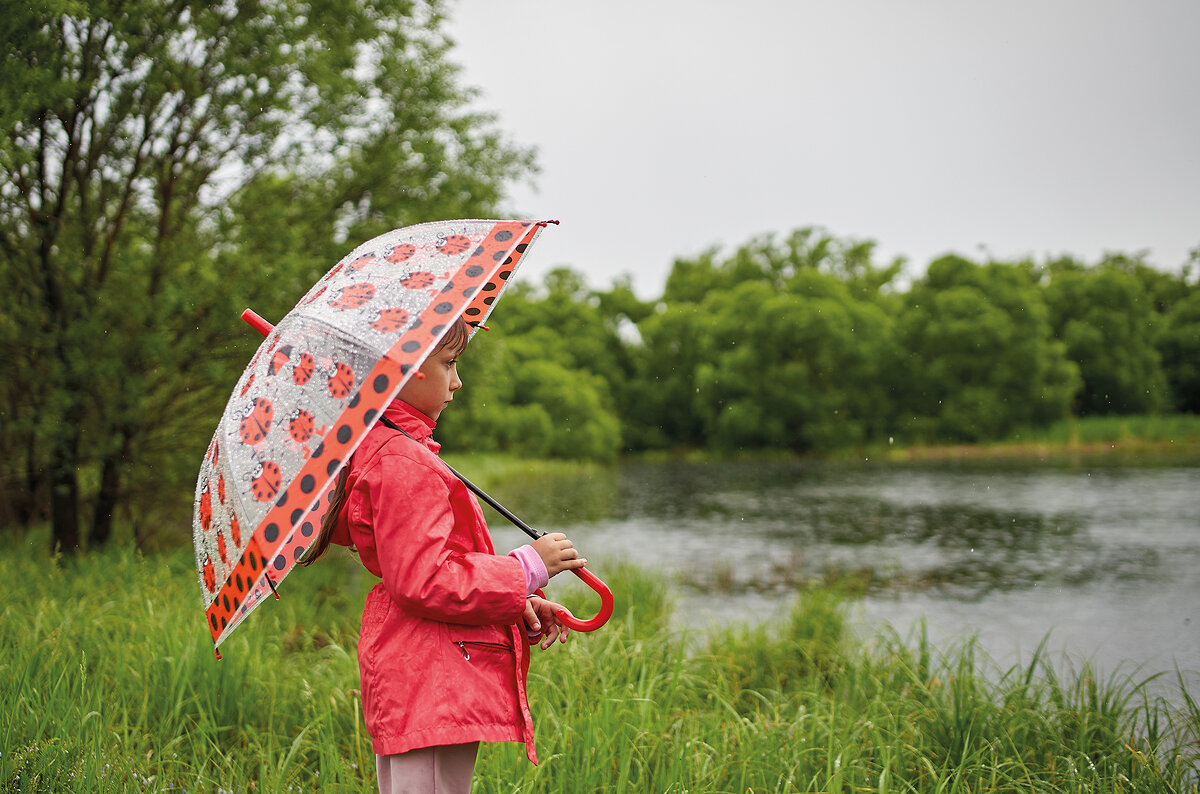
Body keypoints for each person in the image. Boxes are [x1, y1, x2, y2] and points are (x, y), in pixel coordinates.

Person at [302, 315, 586, 793]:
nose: (458, 380)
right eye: (449, 363)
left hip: (424, 668)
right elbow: (425, 582)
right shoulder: (401, 462)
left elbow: (432, 570)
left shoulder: (396, 451)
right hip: (429, 675)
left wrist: (517, 604)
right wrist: (527, 567)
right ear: (408, 369)